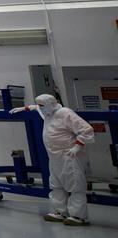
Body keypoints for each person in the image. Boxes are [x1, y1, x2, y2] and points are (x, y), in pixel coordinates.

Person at [15, 94, 95, 226]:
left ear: (51, 104)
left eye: (42, 105)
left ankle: (79, 216)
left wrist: (77, 146)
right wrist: (26, 108)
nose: (40, 108)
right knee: (56, 185)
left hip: (68, 156)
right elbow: (37, 107)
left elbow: (86, 130)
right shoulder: (48, 113)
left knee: (75, 186)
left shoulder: (65, 113)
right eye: (39, 105)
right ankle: (60, 212)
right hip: (54, 157)